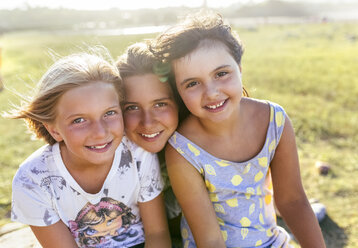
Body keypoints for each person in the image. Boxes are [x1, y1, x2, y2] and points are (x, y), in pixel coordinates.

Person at [151, 12, 326, 248]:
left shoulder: (274, 121)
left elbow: (293, 201)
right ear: (179, 91)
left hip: (271, 241)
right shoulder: (182, 149)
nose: (211, 92)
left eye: (221, 74)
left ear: (240, 68)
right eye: (192, 83)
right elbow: (210, 240)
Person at [7, 51, 171, 248]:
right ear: (54, 129)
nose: (100, 133)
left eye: (109, 113)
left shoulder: (137, 154)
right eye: (79, 120)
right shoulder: (32, 180)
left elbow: (158, 234)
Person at [116, 42, 182, 245]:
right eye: (132, 107)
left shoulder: (196, 145)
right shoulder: (111, 153)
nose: (148, 122)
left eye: (160, 104)